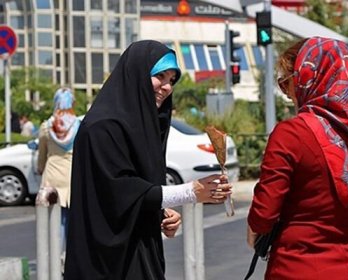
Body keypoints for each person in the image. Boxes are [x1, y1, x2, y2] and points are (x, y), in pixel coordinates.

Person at [63, 40, 231, 280]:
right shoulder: (103, 127)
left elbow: (138, 191)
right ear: (136, 75)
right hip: (105, 264)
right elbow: (119, 191)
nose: (166, 87)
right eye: (159, 76)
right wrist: (190, 192)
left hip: (139, 255)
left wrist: (160, 213)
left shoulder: (139, 127)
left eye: (172, 80)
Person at [246, 37, 348, 279]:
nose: (288, 93)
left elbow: (263, 215)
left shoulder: (290, 134)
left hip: (295, 267)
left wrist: (254, 232)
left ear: (310, 79)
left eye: (287, 83)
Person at [37, 87, 81, 257]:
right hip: (72, 176)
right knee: (73, 221)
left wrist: (40, 168)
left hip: (52, 177)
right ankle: (70, 259)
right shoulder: (78, 125)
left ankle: (55, 259)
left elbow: (42, 154)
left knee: (55, 221)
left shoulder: (47, 127)